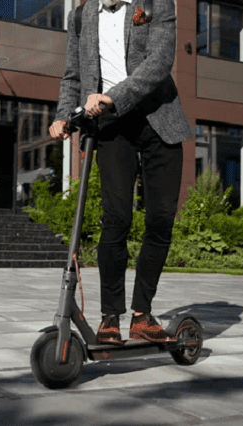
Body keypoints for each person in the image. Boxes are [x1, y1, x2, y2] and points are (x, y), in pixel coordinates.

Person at [49, 0, 192, 345]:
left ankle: (143, 315)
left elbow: (159, 63)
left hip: (159, 121)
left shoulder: (156, 5)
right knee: (116, 219)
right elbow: (74, 74)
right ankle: (110, 317)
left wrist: (112, 96)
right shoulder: (80, 16)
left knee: (160, 220)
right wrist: (64, 114)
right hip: (111, 127)